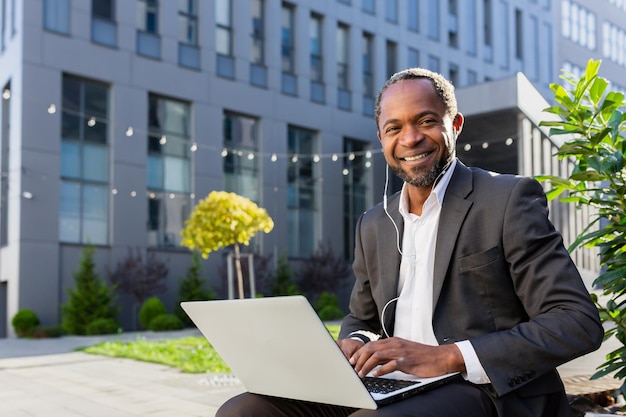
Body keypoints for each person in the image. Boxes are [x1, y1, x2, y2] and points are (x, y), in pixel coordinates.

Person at [216, 68, 604, 417]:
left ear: (455, 124)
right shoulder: (374, 222)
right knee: (242, 411)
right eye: (394, 127)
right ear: (382, 137)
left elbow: (575, 321)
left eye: (426, 121)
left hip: (482, 391)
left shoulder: (507, 199)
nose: (411, 138)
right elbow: (362, 318)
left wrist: (448, 357)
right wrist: (353, 343)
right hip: (387, 383)